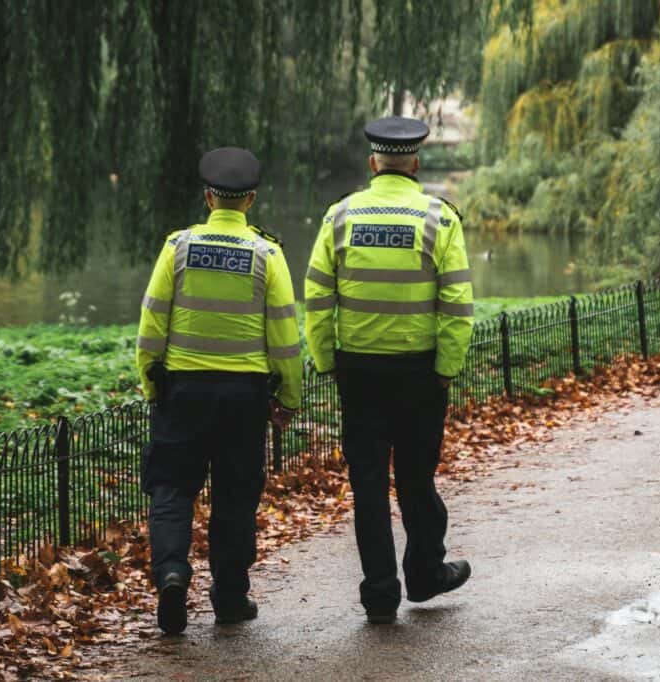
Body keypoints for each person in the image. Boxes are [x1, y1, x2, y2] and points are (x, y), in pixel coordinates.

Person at [303, 117, 475, 624]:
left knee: (370, 485)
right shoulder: (440, 219)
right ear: (416, 163)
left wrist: (327, 359)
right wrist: (446, 368)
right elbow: (458, 303)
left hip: (359, 374)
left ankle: (380, 592)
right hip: (421, 373)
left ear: (373, 162)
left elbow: (316, 296)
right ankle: (424, 574)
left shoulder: (340, 216)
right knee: (417, 480)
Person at [136, 147, 302, 635]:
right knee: (234, 497)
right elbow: (285, 338)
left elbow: (151, 325)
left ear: (209, 197)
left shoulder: (177, 248)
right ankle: (230, 599)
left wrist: (151, 382)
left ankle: (170, 572)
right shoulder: (267, 255)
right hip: (243, 398)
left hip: (182, 392)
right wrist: (288, 399)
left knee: (171, 489)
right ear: (248, 200)